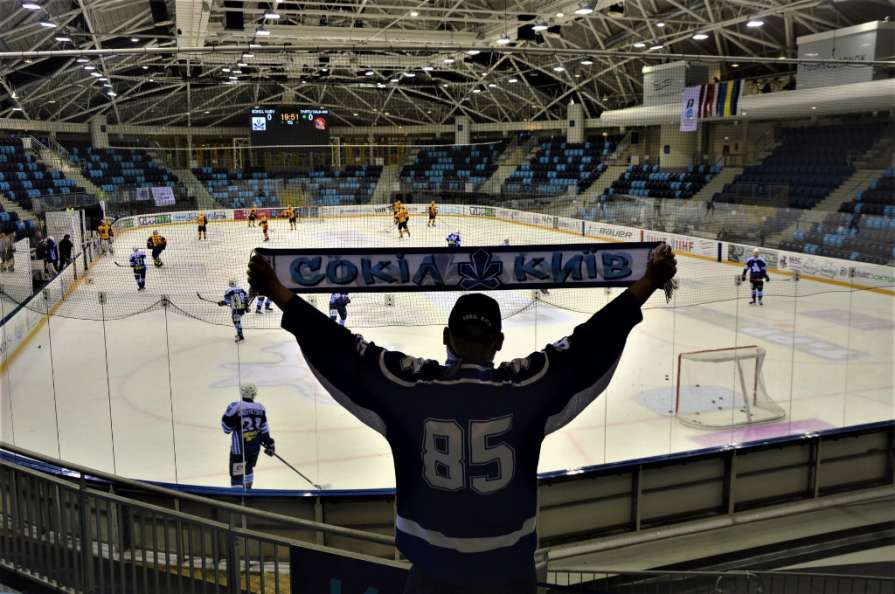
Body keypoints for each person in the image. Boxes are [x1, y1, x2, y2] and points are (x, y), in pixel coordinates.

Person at [246, 245, 677, 594]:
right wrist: (647, 283)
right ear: (499, 341)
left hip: (432, 576)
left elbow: (343, 351)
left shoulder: (411, 391)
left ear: (447, 338)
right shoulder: (525, 391)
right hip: (510, 575)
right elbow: (586, 347)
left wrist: (280, 294)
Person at [221, 383, 275, 489]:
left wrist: (235, 424)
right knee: (248, 468)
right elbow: (264, 428)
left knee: (237, 475)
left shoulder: (235, 406)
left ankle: (238, 499)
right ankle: (249, 493)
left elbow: (226, 429)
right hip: (254, 449)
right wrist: (269, 443)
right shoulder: (261, 408)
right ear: (254, 394)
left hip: (239, 450)